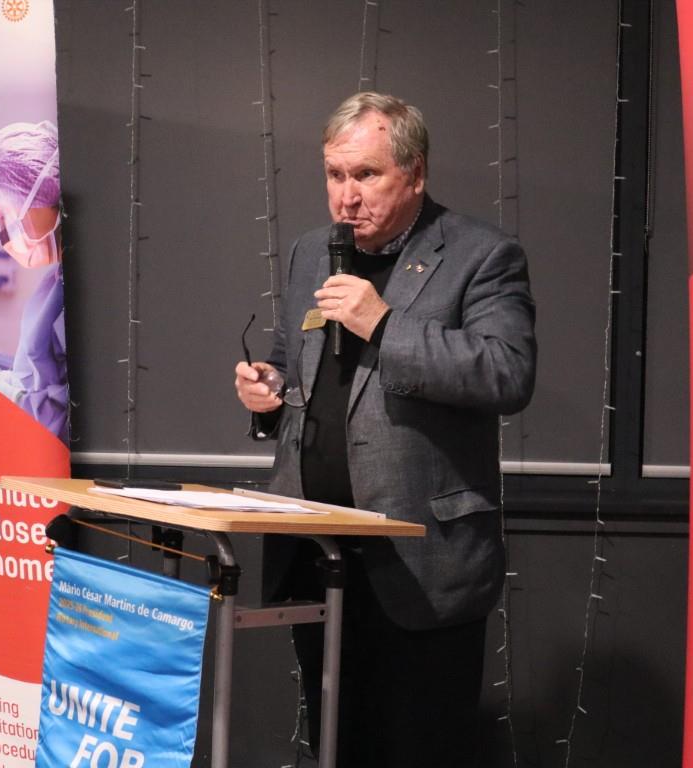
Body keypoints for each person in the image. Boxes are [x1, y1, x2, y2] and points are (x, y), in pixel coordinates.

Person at [234, 92, 536, 767]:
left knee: (417, 751)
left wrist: (385, 325)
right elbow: (294, 364)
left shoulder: (482, 254)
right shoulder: (312, 252)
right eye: (335, 175)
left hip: (421, 560)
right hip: (317, 552)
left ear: (415, 173)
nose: (347, 197)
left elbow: (508, 373)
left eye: (367, 175)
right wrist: (267, 392)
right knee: (337, 745)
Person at [0, 120, 69, 443]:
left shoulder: (80, 293)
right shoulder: (53, 285)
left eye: (10, 214)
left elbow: (68, 418)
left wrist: (13, 401)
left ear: (47, 196)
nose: (5, 231)